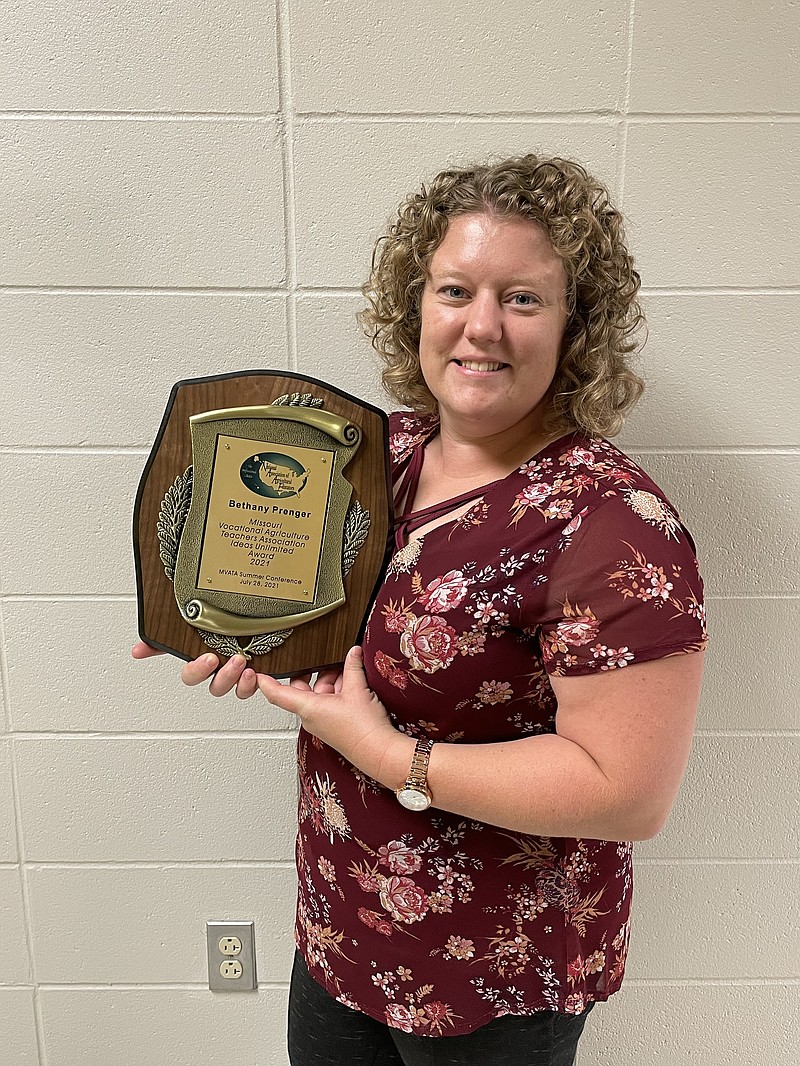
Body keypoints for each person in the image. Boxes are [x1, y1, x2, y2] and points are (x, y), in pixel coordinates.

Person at [134, 154, 706, 1065]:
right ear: (417, 306)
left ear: (575, 326)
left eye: (523, 298)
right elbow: (327, 621)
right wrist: (238, 628)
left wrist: (388, 756)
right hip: (340, 928)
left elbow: (625, 792)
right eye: (455, 289)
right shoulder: (370, 455)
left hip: (495, 976)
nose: (482, 326)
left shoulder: (612, 525)